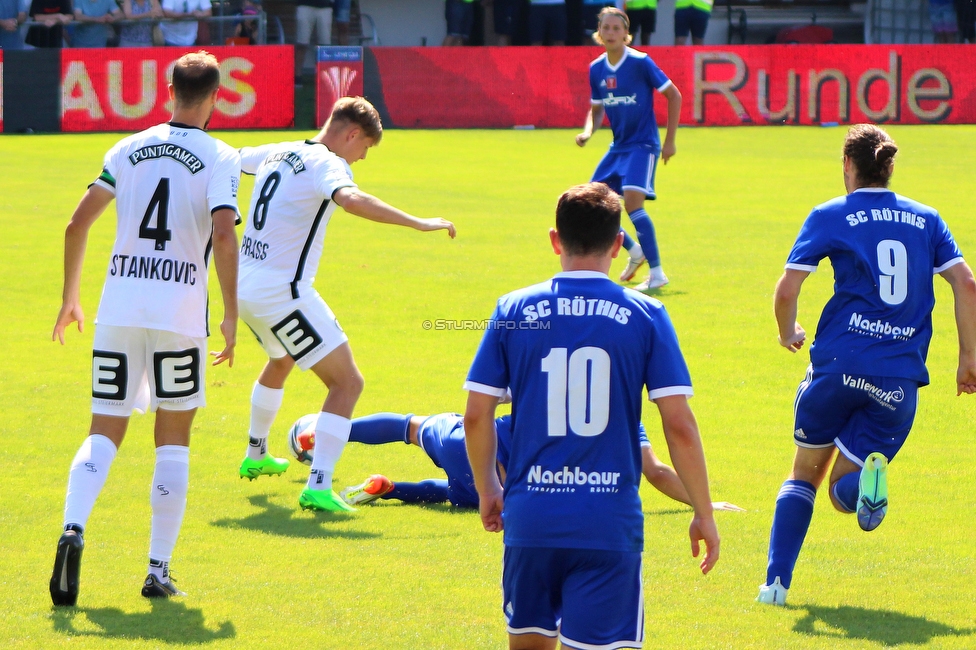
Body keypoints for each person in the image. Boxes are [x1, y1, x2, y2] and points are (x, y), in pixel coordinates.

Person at [463, 182, 719, 650]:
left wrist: (488, 488)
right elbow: (679, 424)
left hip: (532, 519)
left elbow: (477, 415)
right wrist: (703, 511)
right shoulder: (647, 314)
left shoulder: (514, 310)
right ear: (619, 242)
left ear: (555, 240)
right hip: (607, 524)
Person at [49, 51, 240, 606]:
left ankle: (72, 528)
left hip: (118, 307)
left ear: (170, 92)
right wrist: (229, 312)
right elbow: (224, 236)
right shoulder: (220, 156)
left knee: (102, 428)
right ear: (215, 97)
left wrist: (70, 298)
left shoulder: (127, 148)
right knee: (173, 439)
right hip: (180, 314)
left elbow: (76, 223)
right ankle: (157, 570)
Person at [757, 124, 976, 606]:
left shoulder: (830, 214)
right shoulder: (927, 219)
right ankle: (862, 481)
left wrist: (787, 331)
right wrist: (968, 359)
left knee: (804, 477)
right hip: (898, 378)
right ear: (890, 167)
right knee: (841, 493)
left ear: (847, 166)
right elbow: (966, 283)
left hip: (838, 365)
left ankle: (775, 585)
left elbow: (788, 287)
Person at [234, 97, 456, 513]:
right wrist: (419, 222)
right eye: (365, 148)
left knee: (280, 359)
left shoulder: (280, 149)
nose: (362, 158)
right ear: (352, 134)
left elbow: (233, 160)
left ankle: (257, 452)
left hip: (245, 288)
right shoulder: (329, 164)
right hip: (284, 292)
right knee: (347, 383)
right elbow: (352, 200)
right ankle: (318, 485)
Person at [335, 411, 743, 511]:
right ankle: (387, 484)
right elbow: (654, 470)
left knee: (413, 428)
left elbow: (654, 471)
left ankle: (333, 433)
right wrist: (703, 505)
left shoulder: (563, 386)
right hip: (482, 459)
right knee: (469, 494)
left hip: (467, 445)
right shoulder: (624, 417)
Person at [576, 7, 681, 292]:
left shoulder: (640, 62)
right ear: (599, 33)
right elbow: (596, 110)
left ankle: (657, 273)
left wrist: (669, 141)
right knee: (591, 205)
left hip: (643, 144)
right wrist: (588, 132)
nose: (610, 33)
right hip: (618, 147)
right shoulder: (596, 68)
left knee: (633, 204)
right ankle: (635, 252)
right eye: (606, 28)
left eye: (616, 28)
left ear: (626, 34)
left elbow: (674, 95)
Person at [294, 0, 332, 85]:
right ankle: (297, 76)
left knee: (324, 46)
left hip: (325, 7)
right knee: (302, 43)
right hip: (304, 5)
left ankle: (323, 77)